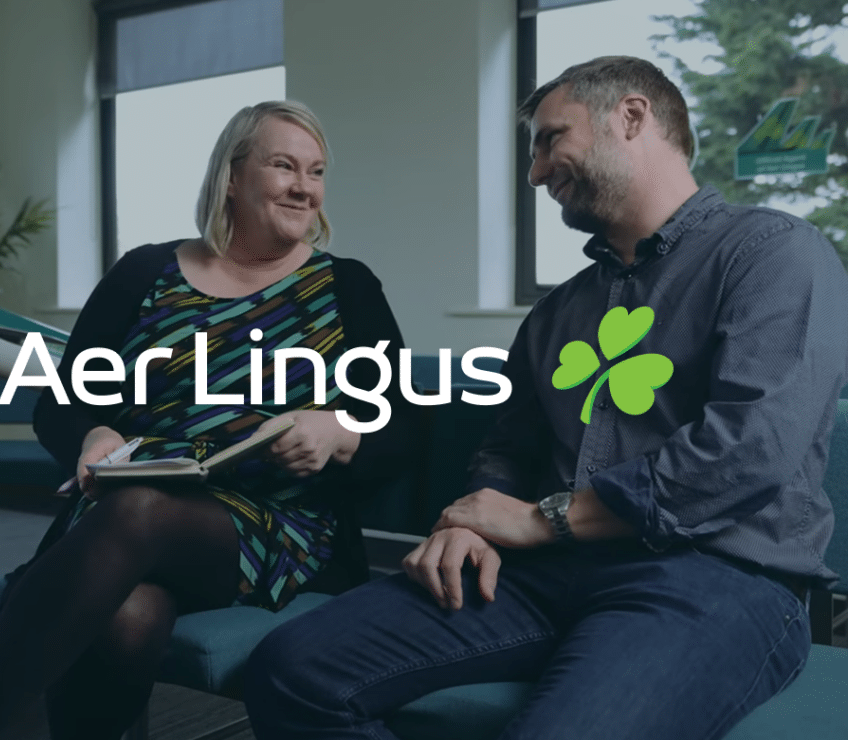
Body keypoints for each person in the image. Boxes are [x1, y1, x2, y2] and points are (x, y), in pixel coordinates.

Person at [243, 56, 848, 740]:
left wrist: (550, 518)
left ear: (631, 116)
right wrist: (470, 524)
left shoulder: (773, 253)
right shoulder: (557, 313)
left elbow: (750, 450)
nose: (535, 172)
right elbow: (507, 449)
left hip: (717, 580)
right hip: (541, 577)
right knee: (291, 671)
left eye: (550, 139)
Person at [0, 100, 413, 740]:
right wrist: (94, 433)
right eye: (284, 166)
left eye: (315, 173)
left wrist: (342, 431)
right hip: (131, 506)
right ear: (232, 177)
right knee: (128, 615)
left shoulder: (345, 286)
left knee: (140, 511)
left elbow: (402, 425)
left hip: (278, 527)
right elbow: (66, 396)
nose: (303, 188)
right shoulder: (145, 272)